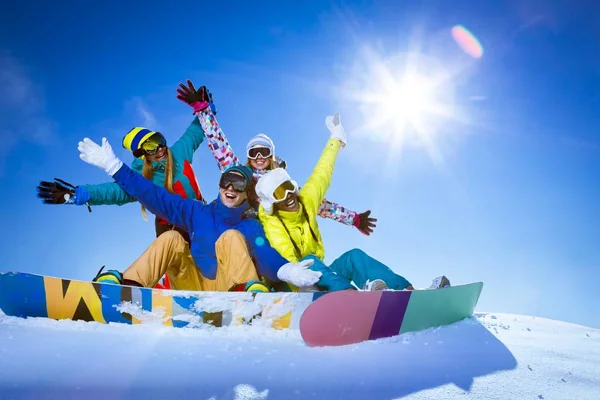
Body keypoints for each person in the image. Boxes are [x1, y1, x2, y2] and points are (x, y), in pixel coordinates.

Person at [76, 137, 323, 293]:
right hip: (193, 283)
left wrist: (286, 270)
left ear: (246, 194)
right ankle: (129, 286)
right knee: (172, 238)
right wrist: (114, 167)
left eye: (238, 186)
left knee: (231, 238)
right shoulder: (196, 211)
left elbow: (265, 253)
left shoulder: (251, 225)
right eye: (227, 182)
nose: (230, 189)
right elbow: (155, 196)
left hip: (230, 286)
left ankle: (249, 294)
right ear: (220, 184)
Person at [254, 113, 451, 291]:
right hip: (294, 281)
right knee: (309, 260)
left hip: (322, 275)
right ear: (271, 201)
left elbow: (322, 172)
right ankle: (351, 297)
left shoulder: (306, 199)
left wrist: (336, 138)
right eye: (280, 193)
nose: (288, 195)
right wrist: (294, 272)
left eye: (289, 187)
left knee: (354, 257)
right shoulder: (271, 220)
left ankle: (408, 292)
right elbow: (282, 251)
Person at [175, 79, 377, 236]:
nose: (260, 157)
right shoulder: (241, 175)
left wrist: (354, 219)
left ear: (272, 155)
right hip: (240, 228)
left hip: (273, 236)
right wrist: (203, 111)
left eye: (265, 152)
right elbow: (219, 144)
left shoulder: (282, 183)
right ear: (249, 156)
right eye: (254, 153)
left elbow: (315, 203)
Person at [36, 86, 216, 245]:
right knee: (171, 246)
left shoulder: (178, 153)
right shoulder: (139, 180)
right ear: (142, 154)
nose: (160, 148)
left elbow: (196, 132)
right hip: (170, 227)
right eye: (150, 147)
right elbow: (112, 192)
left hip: (199, 215)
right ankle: (170, 280)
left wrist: (203, 107)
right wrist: (78, 194)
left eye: (159, 140)